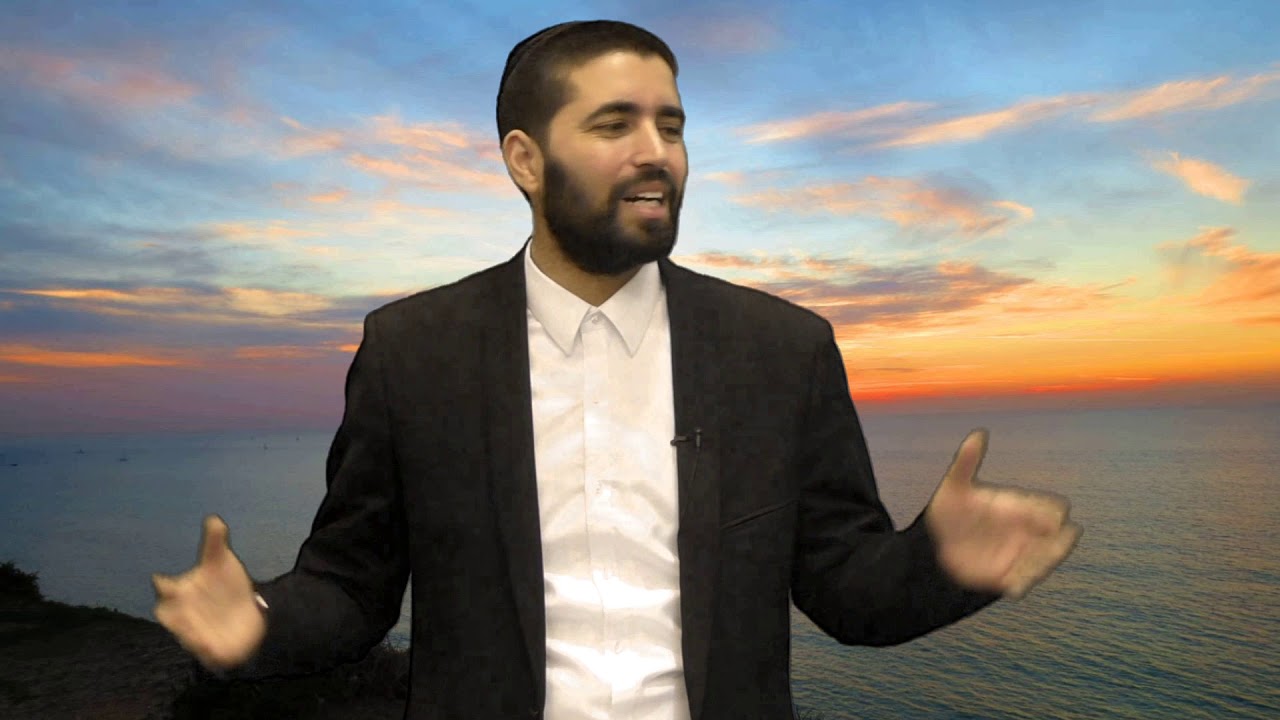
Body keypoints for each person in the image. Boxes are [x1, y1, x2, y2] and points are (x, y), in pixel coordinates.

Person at [151, 19, 1081, 720]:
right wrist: (259, 621)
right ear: (525, 159)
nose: (655, 153)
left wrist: (939, 564)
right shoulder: (412, 351)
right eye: (614, 124)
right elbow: (352, 587)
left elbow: (845, 588)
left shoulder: (782, 350)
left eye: (671, 126)